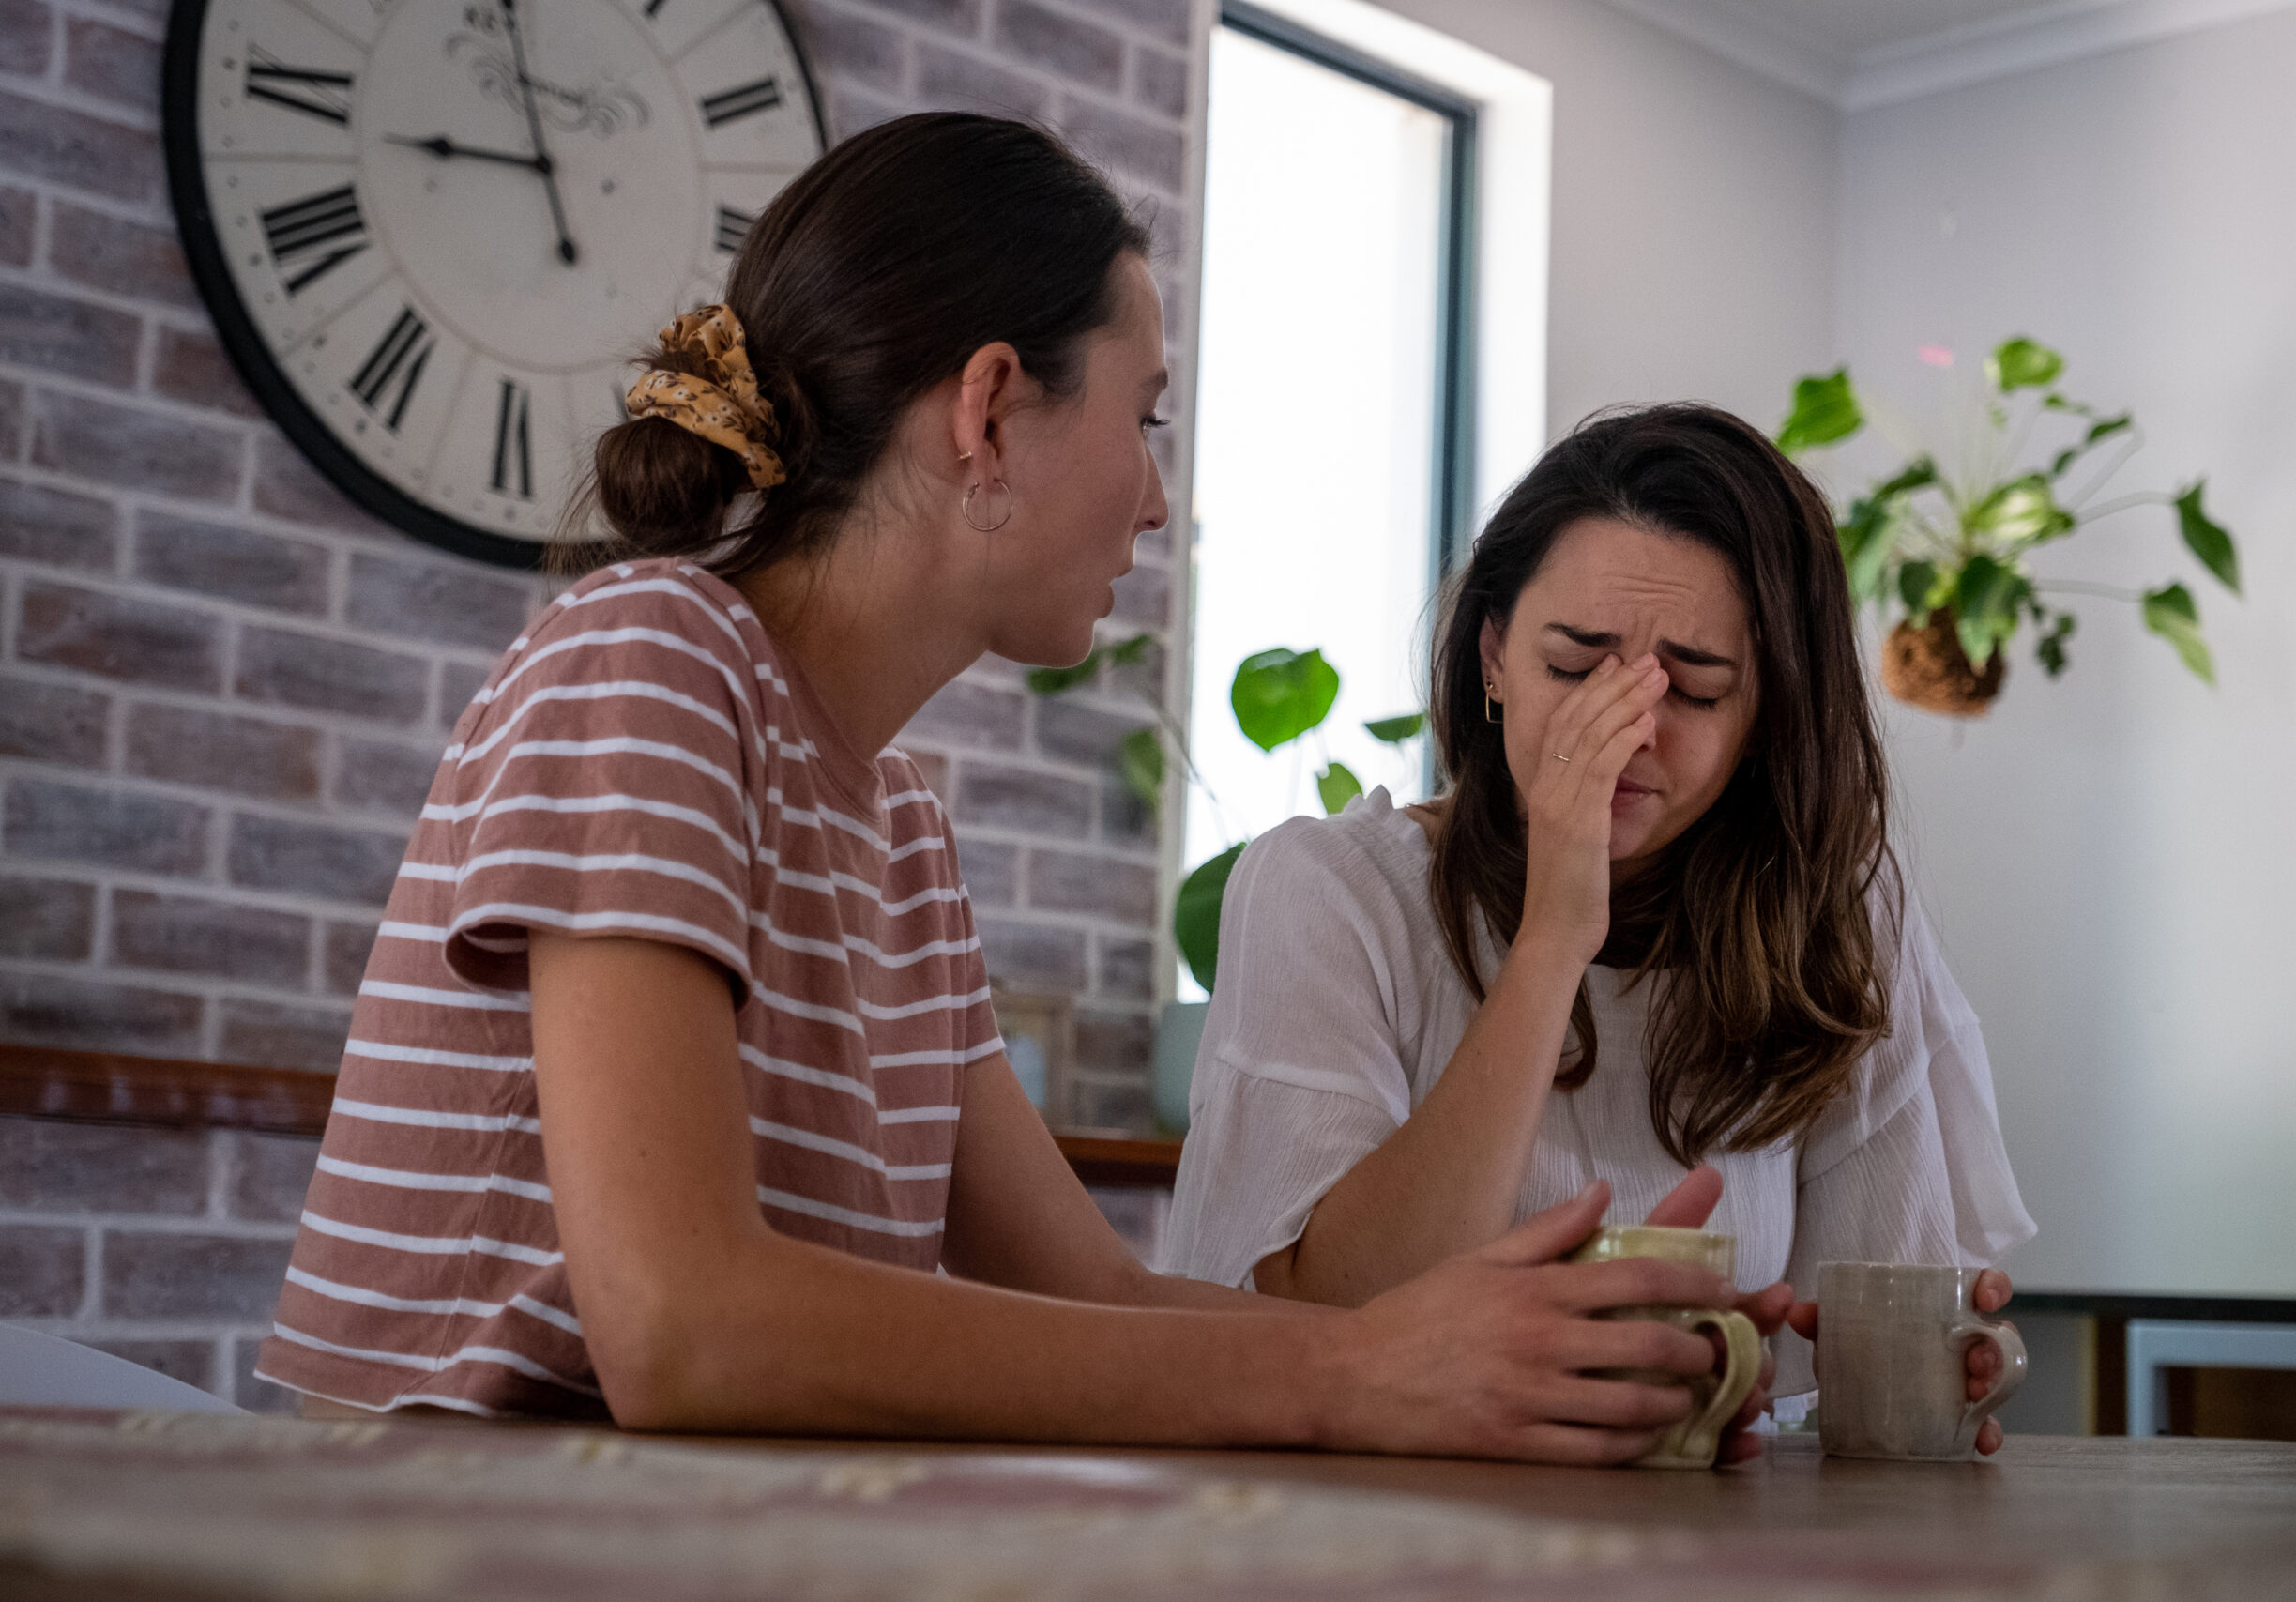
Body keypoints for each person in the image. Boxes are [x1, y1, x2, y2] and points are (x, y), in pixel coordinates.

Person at [251, 114, 1758, 1466]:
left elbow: (1096, 1292)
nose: (1158, 497)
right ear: (988, 407)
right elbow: (683, 1321)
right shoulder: (648, 655)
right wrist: (1358, 1367)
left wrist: (1534, 1358)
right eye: (1144, 415)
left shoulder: (897, 824)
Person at [1159, 404, 2036, 1450]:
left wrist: (1909, 1373)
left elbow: (1859, 1345)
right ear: (1492, 656)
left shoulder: (1837, 916)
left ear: (1767, 717)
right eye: (1575, 670)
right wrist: (1550, 939)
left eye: (1696, 689)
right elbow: (1331, 1318)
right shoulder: (1330, 891)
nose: (1624, 731)